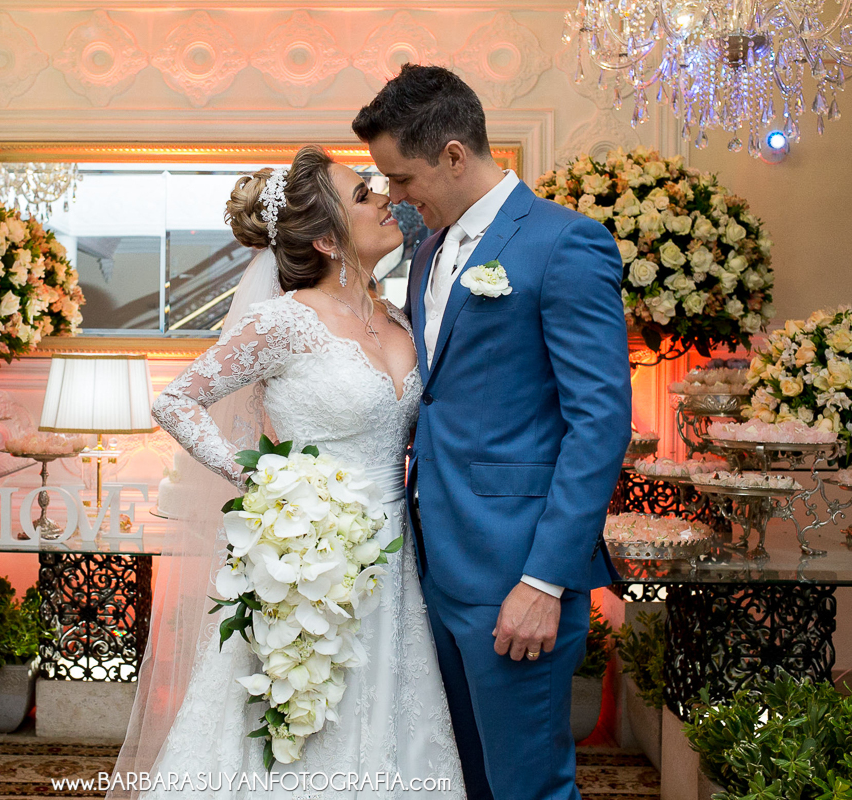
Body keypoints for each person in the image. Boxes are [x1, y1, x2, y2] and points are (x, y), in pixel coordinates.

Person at [108, 145, 466, 799]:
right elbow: (176, 401)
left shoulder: (400, 318)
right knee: (305, 723)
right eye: (363, 195)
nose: (385, 199)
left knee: (393, 720)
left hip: (397, 559)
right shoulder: (285, 321)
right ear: (327, 239)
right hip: (308, 562)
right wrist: (267, 487)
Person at [352, 65, 632, 800]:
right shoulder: (425, 253)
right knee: (463, 781)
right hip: (432, 565)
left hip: (517, 572)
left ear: (453, 155)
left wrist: (544, 581)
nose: (395, 196)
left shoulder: (566, 244)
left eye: (402, 178)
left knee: (528, 787)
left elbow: (599, 422)